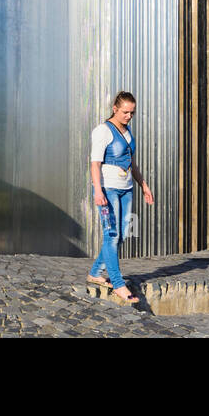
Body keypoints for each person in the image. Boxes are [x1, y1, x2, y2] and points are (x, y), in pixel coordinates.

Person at [87, 91, 154, 304]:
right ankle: (118, 284)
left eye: (132, 113)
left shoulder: (128, 131)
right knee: (112, 235)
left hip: (126, 189)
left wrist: (143, 185)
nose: (129, 116)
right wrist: (98, 191)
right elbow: (95, 163)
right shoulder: (102, 131)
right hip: (108, 190)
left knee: (121, 235)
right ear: (115, 108)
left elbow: (132, 163)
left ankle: (95, 272)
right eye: (125, 112)